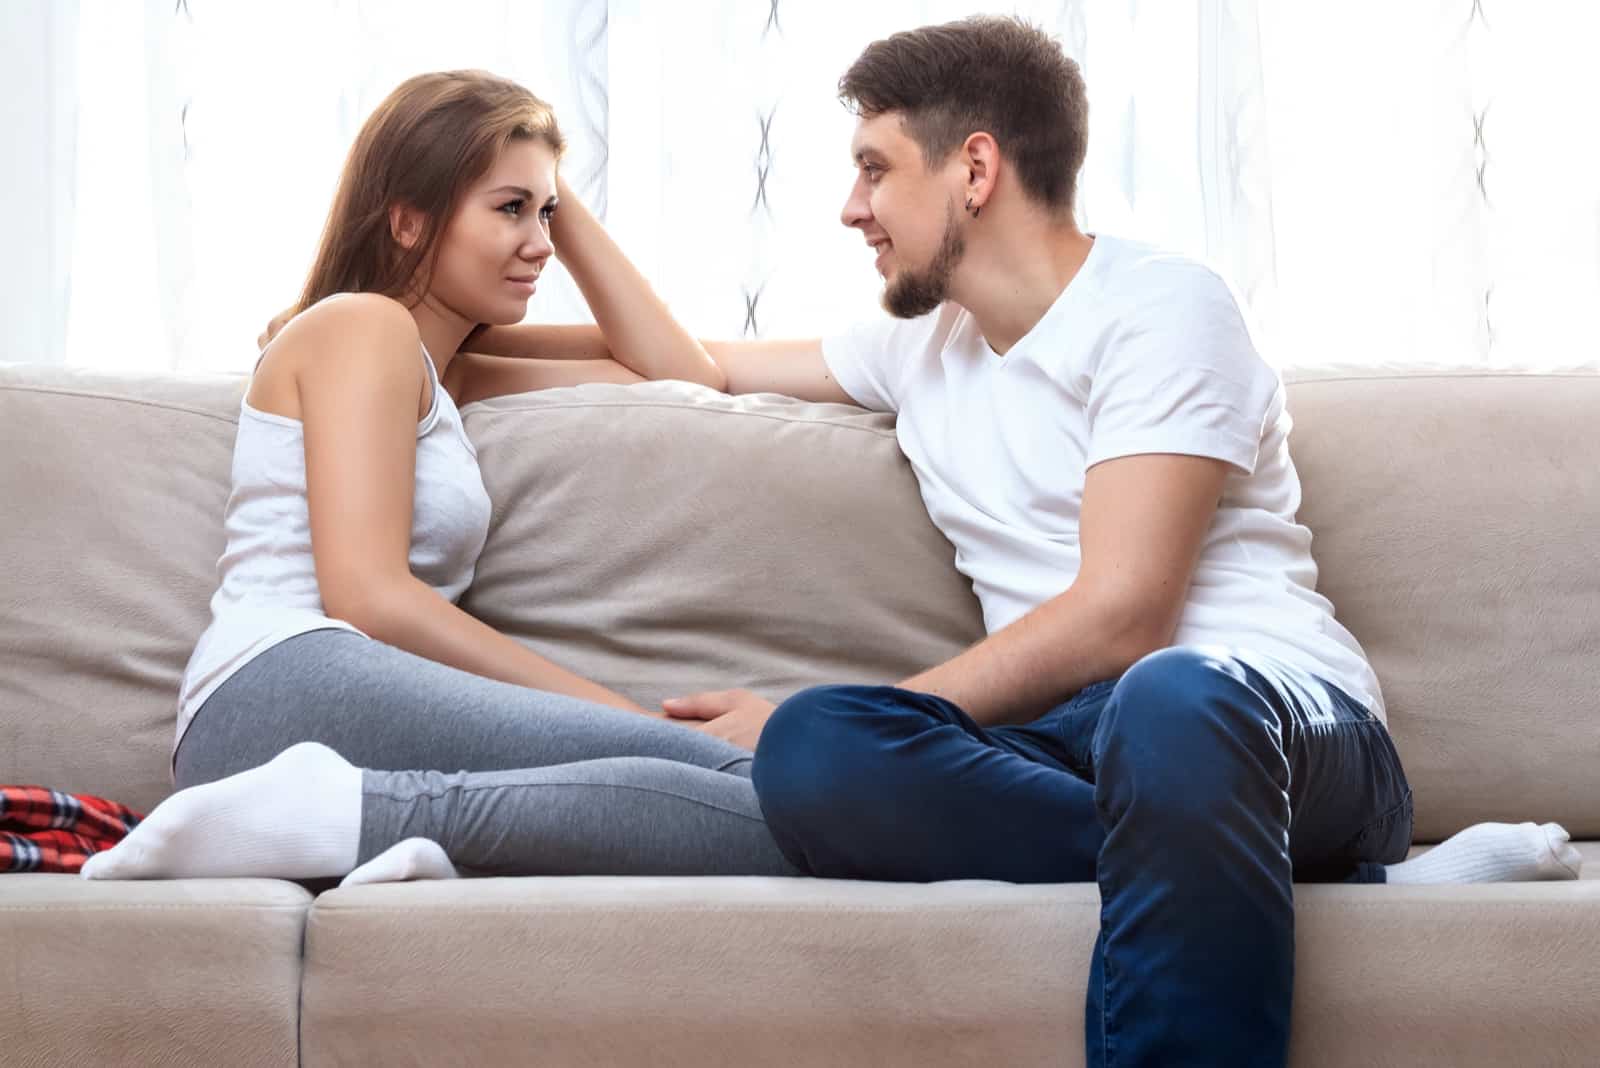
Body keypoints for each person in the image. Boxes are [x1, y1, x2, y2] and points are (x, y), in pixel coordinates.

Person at [90, 30, 1577, 1066]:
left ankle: (1327, 863)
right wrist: (535, 196)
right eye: (513, 208)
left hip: (1266, 720)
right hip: (1086, 747)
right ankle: (1338, 889)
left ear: (972, 170)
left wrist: (515, 191)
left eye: (874, 170)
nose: (848, 205)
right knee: (808, 762)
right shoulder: (914, 353)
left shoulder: (1163, 309)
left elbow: (1128, 617)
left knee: (1154, 707)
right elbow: (687, 372)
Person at [80, 69, 799, 885]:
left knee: (750, 801)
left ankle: (361, 821)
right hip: (278, 685)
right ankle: (323, 815)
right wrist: (619, 713)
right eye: (508, 209)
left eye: (547, 213)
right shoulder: (363, 326)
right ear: (410, 221)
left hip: (323, 709)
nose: (542, 244)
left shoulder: (452, 372)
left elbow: (680, 376)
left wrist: (548, 188)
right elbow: (369, 596)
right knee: (741, 784)